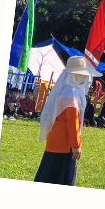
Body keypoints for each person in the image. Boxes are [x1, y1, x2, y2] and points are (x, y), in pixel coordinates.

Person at [34, 52, 93, 185]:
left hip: (56, 142)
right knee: (60, 178)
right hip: (65, 144)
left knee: (48, 175)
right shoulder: (71, 93)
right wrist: (76, 145)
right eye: (82, 73)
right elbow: (72, 123)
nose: (85, 77)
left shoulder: (66, 91)